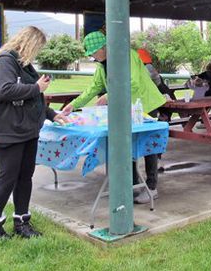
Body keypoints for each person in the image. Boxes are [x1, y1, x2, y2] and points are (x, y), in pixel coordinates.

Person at [61, 31, 166, 204]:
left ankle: (152, 187)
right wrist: (74, 105)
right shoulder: (102, 65)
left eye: (94, 52)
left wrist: (109, 96)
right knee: (128, 146)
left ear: (104, 47)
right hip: (127, 109)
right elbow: (93, 88)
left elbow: (133, 82)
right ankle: (132, 185)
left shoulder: (127, 55)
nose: (93, 57)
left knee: (149, 146)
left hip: (146, 104)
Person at [0, 26, 69, 238]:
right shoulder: (3, 61)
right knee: (8, 178)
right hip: (7, 130)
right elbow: (4, 90)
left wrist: (51, 114)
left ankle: (22, 222)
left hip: (27, 130)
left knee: (25, 177)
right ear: (29, 43)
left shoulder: (25, 65)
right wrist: (37, 88)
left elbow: (33, 98)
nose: (37, 53)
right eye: (37, 47)